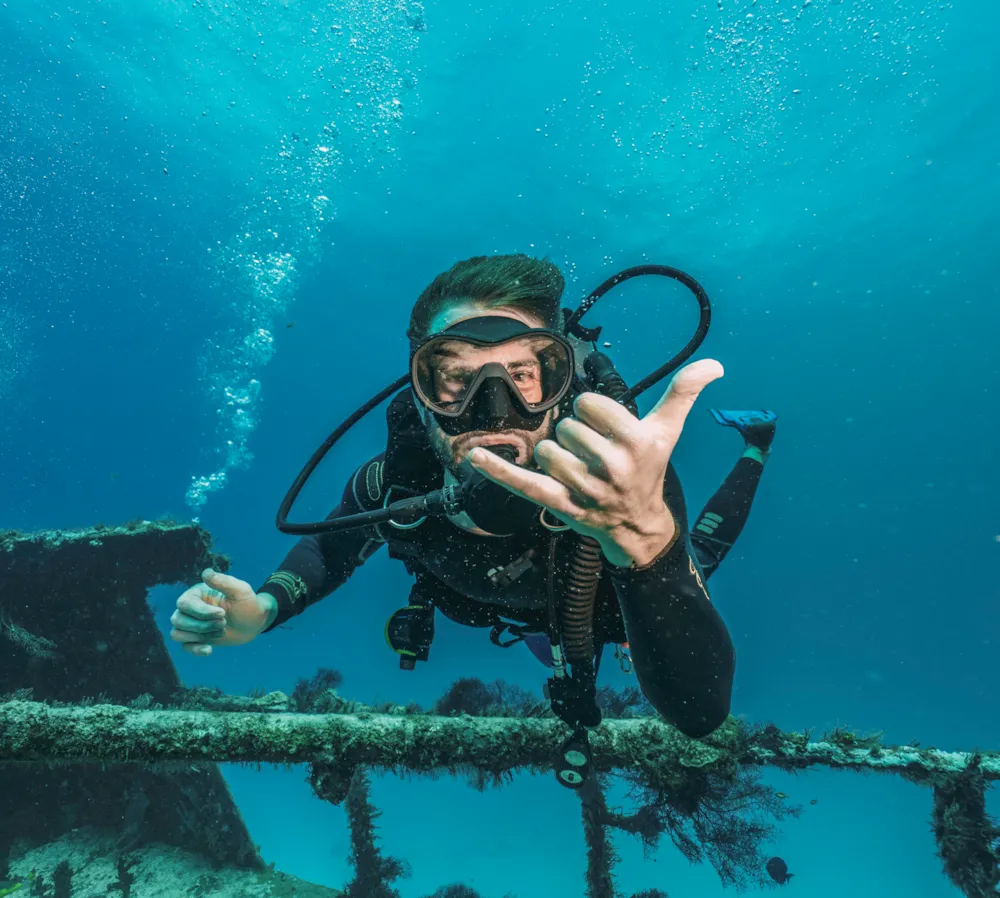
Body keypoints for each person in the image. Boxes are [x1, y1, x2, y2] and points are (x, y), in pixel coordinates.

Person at [171, 254, 775, 753]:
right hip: (512, 614)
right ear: (421, 390)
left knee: (700, 549)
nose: (494, 409)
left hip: (608, 610)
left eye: (523, 374)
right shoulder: (397, 487)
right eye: (457, 378)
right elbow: (331, 546)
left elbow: (700, 714)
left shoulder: (618, 485)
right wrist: (265, 609)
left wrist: (644, 541)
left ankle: (756, 447)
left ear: (560, 379)